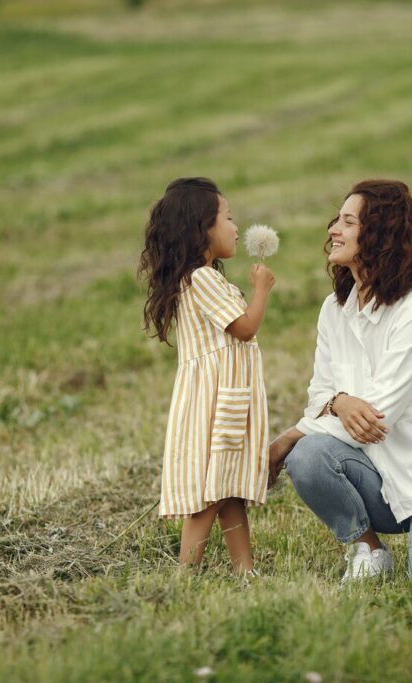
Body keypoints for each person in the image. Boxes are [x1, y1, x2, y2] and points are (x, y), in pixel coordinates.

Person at [268, 179, 412, 591]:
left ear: (378, 233)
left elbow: (377, 415)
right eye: (335, 220)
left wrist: (286, 438)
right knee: (309, 457)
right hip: (379, 480)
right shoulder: (334, 310)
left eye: (347, 222)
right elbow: (319, 397)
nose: (332, 230)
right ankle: (369, 551)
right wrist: (339, 402)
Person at [139, 177, 275, 574]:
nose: (236, 227)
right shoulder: (201, 278)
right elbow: (245, 327)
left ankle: (244, 570)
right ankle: (186, 572)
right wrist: (262, 290)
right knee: (208, 494)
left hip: (222, 398)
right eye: (228, 218)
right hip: (215, 403)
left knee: (227, 487)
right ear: (202, 228)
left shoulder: (205, 278)